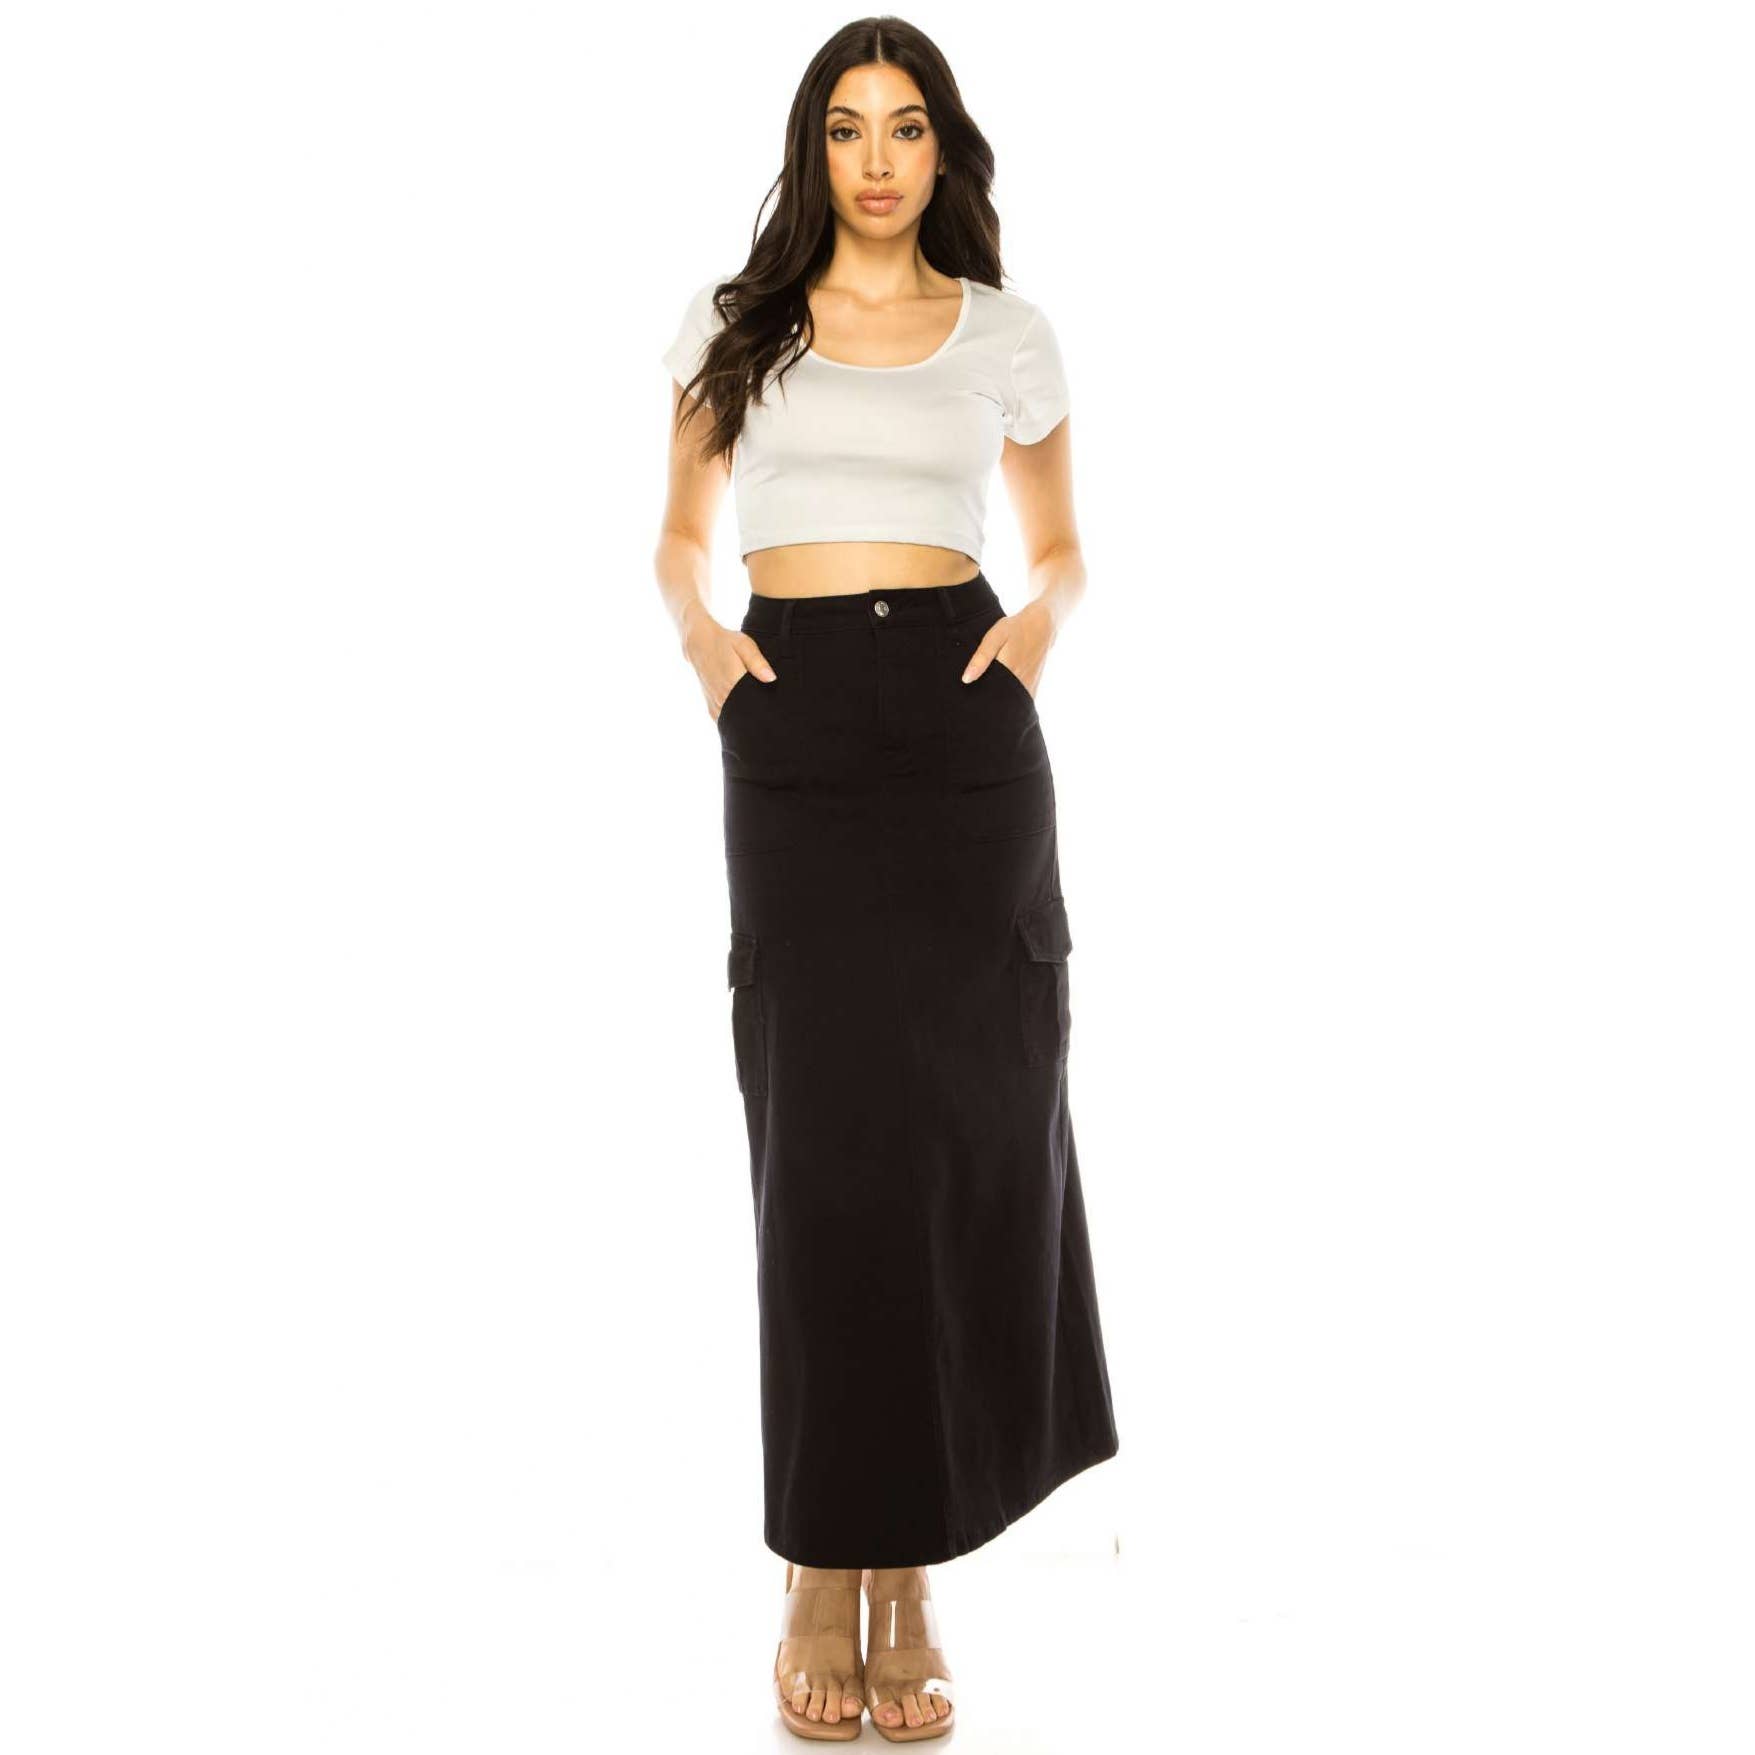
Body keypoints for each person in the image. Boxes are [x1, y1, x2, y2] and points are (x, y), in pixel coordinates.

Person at [653, 18, 1119, 1743]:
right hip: (791, 730)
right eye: (846, 128)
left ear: (942, 150)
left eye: (905, 127)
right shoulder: (737, 322)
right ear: (813, 149)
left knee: (956, 1131)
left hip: (960, 722)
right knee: (821, 1150)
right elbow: (676, 535)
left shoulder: (1005, 331)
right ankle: (817, 1560)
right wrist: (708, 651)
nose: (875, 159)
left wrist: (1035, 632)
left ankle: (908, 1568)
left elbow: (1063, 545)